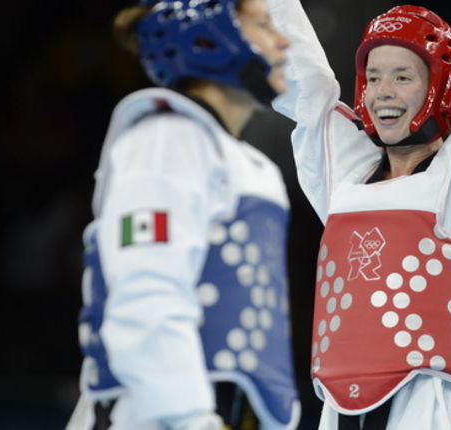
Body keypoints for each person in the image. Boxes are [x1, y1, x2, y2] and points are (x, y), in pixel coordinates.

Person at [267, 0, 451, 428]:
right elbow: (305, 87)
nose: (383, 92)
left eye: (403, 77)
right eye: (374, 77)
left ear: (441, 87)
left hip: (433, 405)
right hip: (339, 408)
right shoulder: (346, 177)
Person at [66, 1, 300, 429]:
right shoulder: (165, 141)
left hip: (230, 409)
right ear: (213, 36)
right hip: (152, 412)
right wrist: (188, 417)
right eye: (265, 26)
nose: (283, 41)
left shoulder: (247, 166)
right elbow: (146, 292)